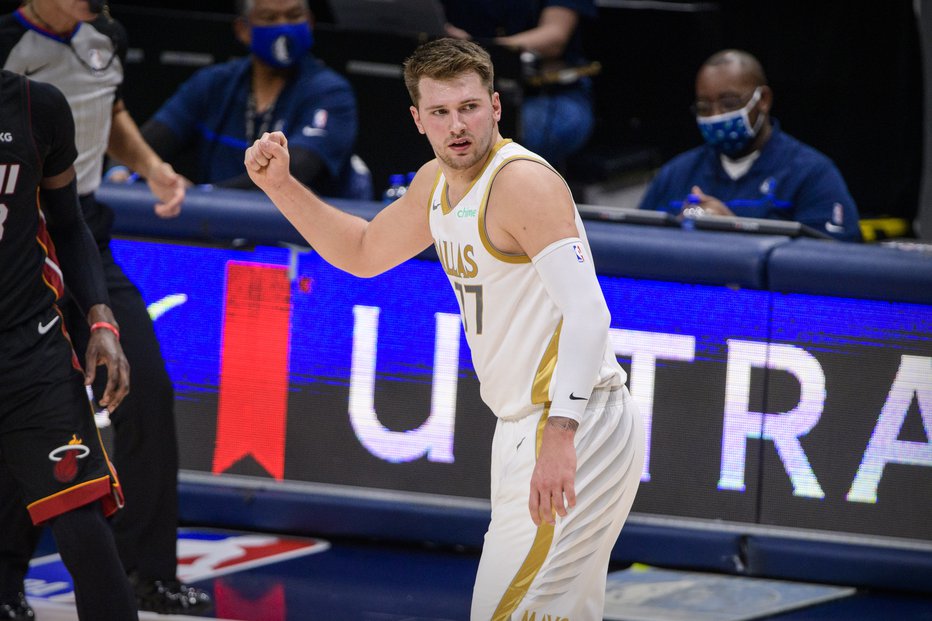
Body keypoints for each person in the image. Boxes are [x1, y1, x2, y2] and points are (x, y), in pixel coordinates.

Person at [245, 38, 645, 619]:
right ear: (417, 119)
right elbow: (361, 252)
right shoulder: (435, 182)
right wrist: (281, 187)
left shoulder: (520, 183)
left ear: (496, 106)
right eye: (440, 112)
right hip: (525, 425)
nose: (458, 126)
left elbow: (590, 315)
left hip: (573, 423)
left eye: (470, 107)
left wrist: (561, 437)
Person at [0, 0, 211, 614]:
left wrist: (150, 167)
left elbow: (109, 109)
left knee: (141, 382)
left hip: (77, 229)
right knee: (28, 423)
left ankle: (148, 569)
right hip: (27, 237)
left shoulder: (105, 38)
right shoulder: (11, 41)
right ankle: (9, 579)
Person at [0, 68, 136, 621]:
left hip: (29, 347)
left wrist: (101, 319)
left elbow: (69, 223)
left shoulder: (35, 105)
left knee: (82, 522)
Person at [132, 0, 370, 199]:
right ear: (243, 30)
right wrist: (121, 172)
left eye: (294, 16)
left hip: (295, 241)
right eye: (269, 18)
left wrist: (201, 196)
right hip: (215, 232)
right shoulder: (214, 82)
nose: (283, 27)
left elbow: (297, 168)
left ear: (310, 23)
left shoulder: (331, 92)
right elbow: (146, 142)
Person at [638, 49, 862, 242]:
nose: (716, 116)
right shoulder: (675, 174)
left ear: (763, 99)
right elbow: (633, 244)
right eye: (704, 107)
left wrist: (736, 233)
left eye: (728, 103)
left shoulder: (813, 175)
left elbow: (837, 263)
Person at [440, 0, 598, 170]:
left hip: (551, 93)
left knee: (500, 140)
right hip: (467, 95)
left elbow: (555, 37)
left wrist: (477, 47)